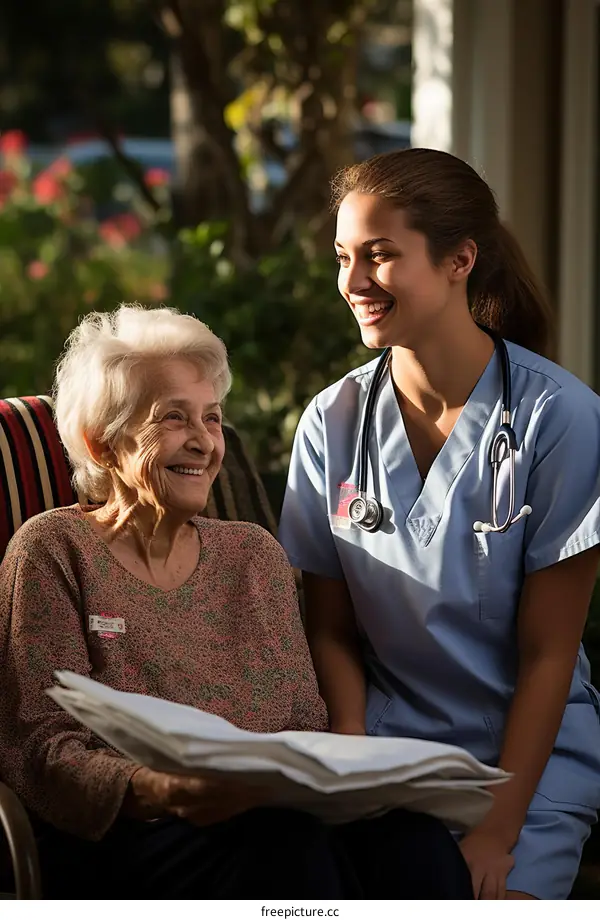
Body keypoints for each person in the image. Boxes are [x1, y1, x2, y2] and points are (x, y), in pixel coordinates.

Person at [0, 303, 473, 900]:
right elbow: (38, 747)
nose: (203, 442)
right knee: (285, 846)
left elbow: (303, 722)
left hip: (275, 819)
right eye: (174, 419)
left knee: (413, 837)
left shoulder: (253, 556)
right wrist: (157, 787)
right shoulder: (52, 549)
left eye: (213, 419)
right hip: (130, 839)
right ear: (102, 445)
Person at [278, 148, 600, 901]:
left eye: (381, 256)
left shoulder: (561, 419)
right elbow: (327, 628)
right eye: (343, 257)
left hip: (525, 766)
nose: (354, 283)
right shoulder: (333, 420)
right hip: (387, 764)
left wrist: (497, 829)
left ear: (461, 259)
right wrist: (352, 750)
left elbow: (552, 655)